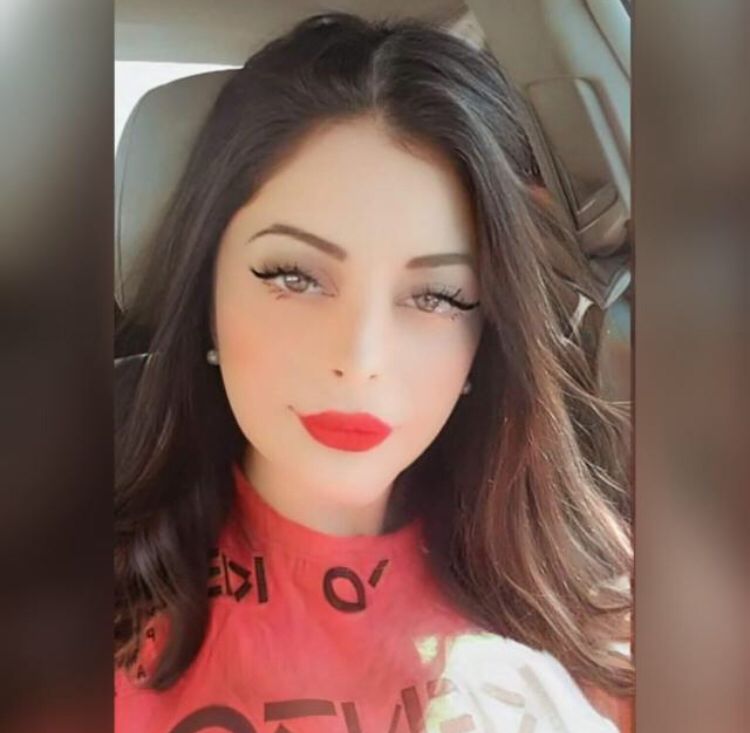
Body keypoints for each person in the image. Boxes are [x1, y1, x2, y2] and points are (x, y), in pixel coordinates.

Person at [115, 12, 633, 732]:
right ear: (206, 295)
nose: (360, 360)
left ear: (486, 332)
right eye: (294, 277)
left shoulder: (592, 596)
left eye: (438, 295)